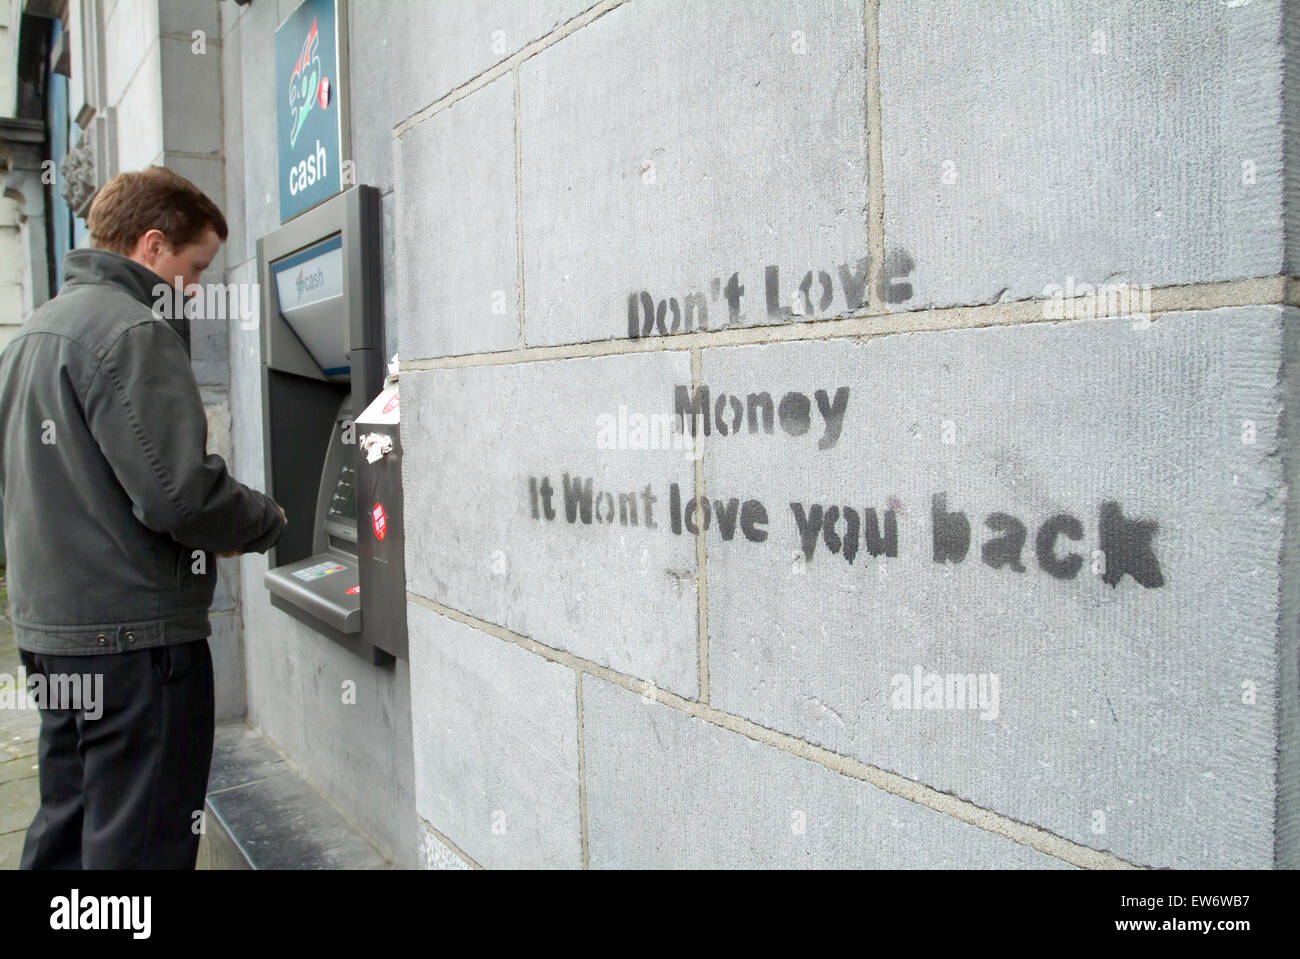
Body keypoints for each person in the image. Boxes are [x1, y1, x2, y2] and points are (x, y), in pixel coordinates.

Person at [0, 166, 287, 868]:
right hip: (134, 643)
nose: (195, 288)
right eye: (195, 268)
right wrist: (269, 520)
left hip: (53, 634)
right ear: (153, 245)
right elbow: (179, 496)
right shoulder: (135, 329)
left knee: (68, 823)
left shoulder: (31, 334)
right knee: (141, 844)